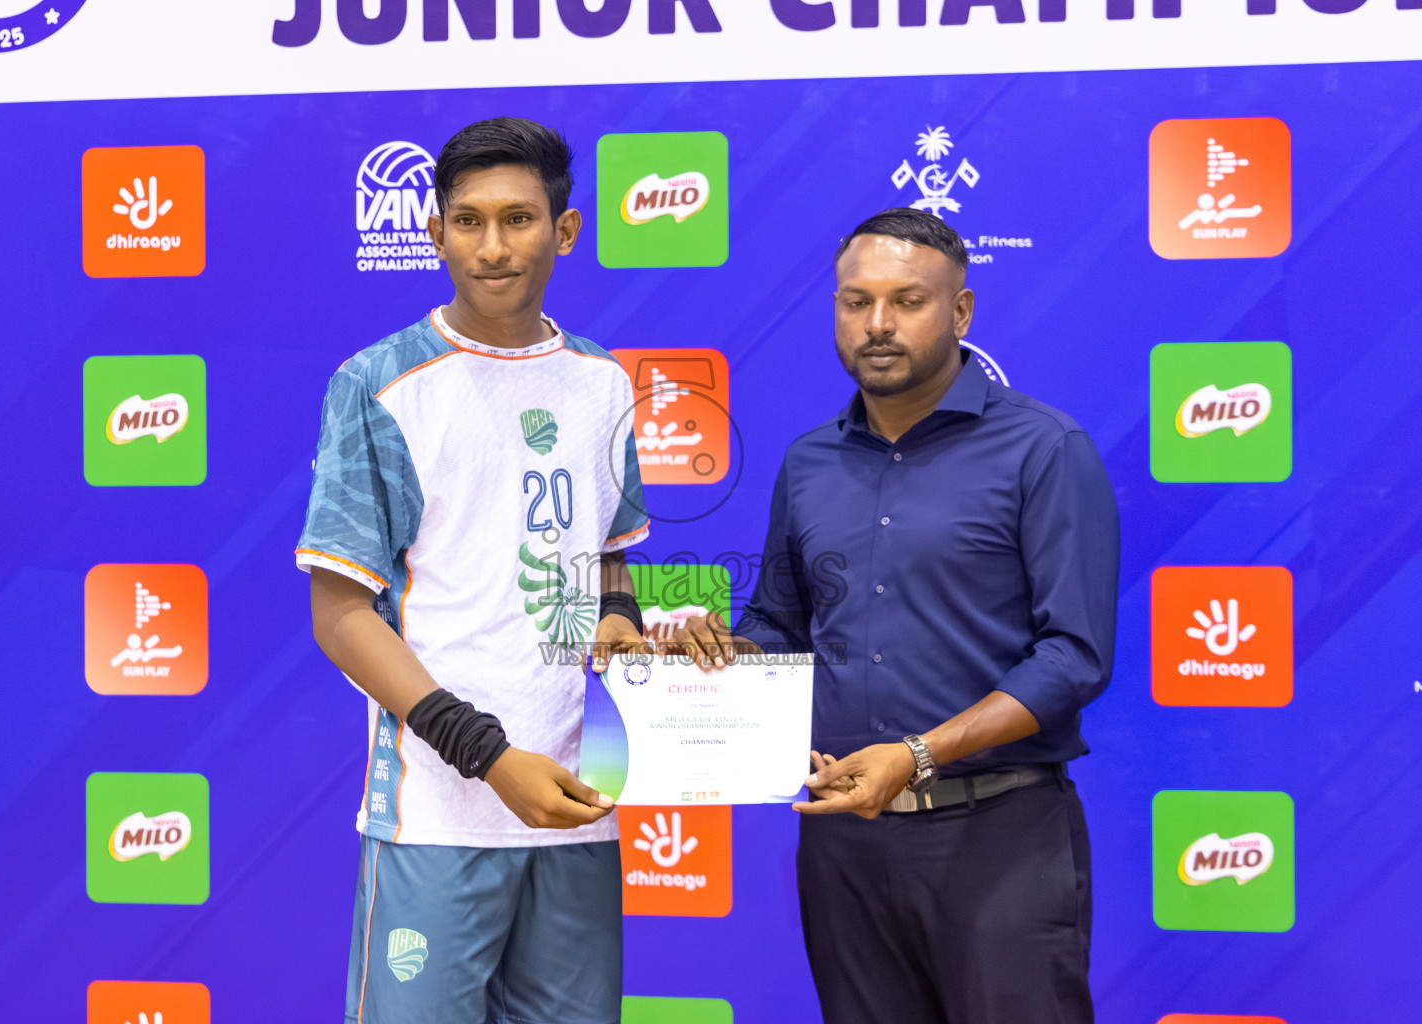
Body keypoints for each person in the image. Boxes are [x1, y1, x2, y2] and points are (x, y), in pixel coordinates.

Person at [676, 208, 1119, 1023]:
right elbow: (782, 624)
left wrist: (917, 754)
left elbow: (1073, 657)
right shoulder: (808, 461)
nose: (876, 325)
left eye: (906, 301)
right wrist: (719, 653)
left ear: (961, 312)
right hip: (843, 843)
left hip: (1000, 838)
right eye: (855, 302)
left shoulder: (1045, 448)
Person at [296, 117, 650, 1024]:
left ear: (564, 231)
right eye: (468, 221)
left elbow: (607, 559)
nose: (492, 248)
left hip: (578, 810)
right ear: (436, 232)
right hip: (440, 819)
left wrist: (620, 625)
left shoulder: (602, 380)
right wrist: (488, 757)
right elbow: (340, 615)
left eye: (519, 220)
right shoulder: (378, 384)